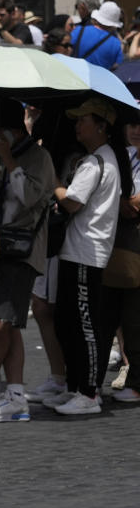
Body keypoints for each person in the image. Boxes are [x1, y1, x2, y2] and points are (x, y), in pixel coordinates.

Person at [0, 99, 56, 422]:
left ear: (13, 130)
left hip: (23, 249)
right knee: (10, 326)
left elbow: (31, 198)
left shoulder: (39, 157)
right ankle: (16, 395)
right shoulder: (3, 159)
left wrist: (8, 161)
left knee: (0, 324)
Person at [48, 99, 128, 415]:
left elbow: (72, 202)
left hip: (87, 253)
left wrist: (53, 181)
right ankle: (74, 386)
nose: (77, 125)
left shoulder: (98, 162)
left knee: (84, 325)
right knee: (67, 321)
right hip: (77, 251)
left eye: (84, 120)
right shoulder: (97, 159)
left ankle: (89, 393)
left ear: (102, 126)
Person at [109, 120, 140, 402]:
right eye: (132, 124)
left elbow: (133, 203)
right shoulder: (127, 155)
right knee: (128, 317)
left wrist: (123, 201)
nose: (136, 130)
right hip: (127, 246)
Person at [69, 0, 124, 71]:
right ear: (113, 25)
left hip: (76, 76)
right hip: (100, 80)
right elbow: (118, 66)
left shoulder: (79, 30)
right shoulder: (116, 43)